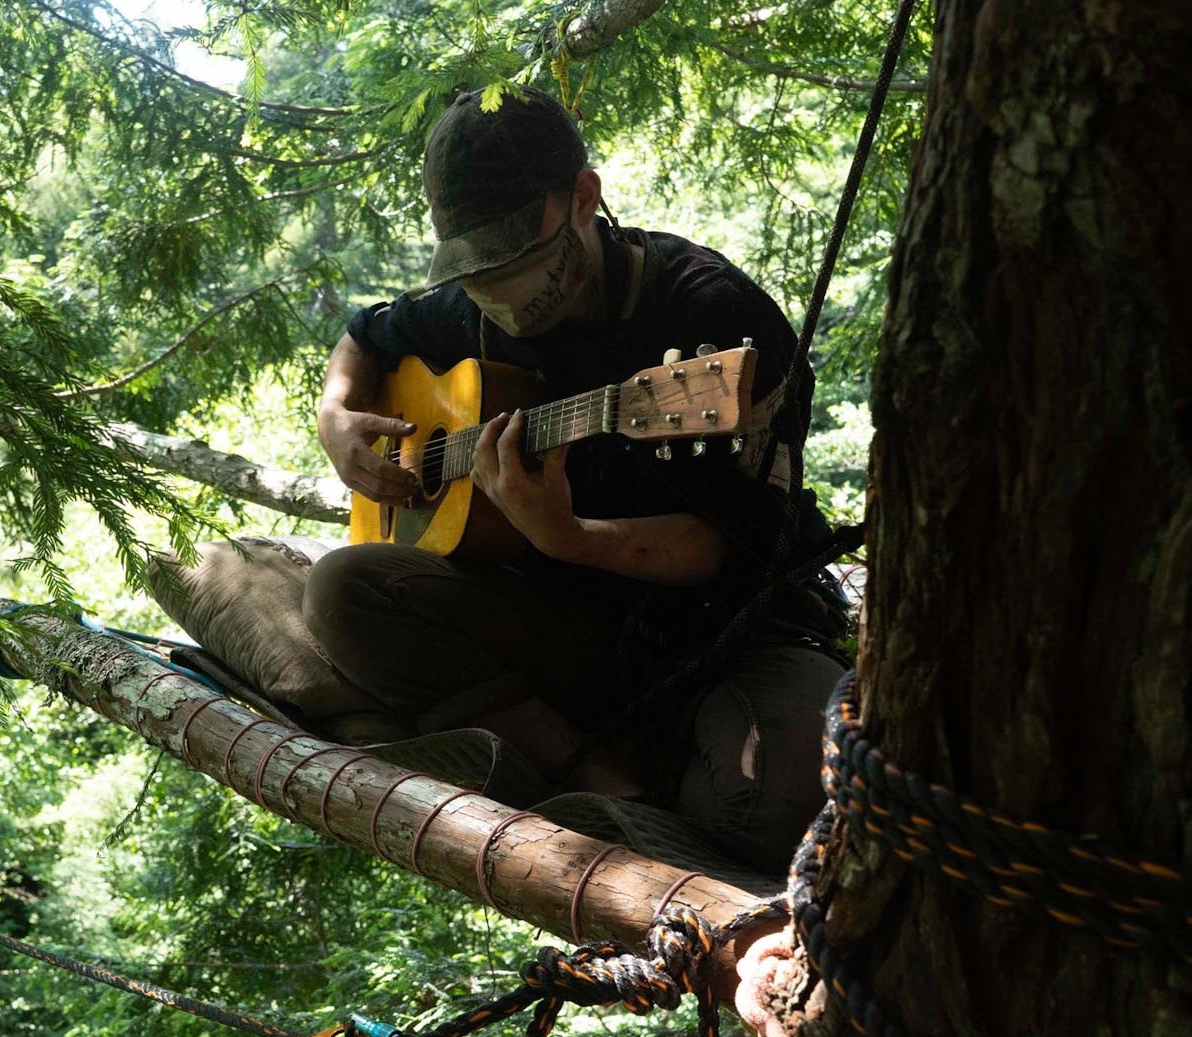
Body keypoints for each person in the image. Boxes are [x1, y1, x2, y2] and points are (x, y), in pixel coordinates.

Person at [306, 84, 848, 870]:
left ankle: (636, 763)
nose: (497, 293)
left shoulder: (710, 315)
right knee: (340, 589)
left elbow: (737, 546)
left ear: (585, 197)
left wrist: (568, 537)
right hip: (559, 624)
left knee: (782, 804)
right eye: (475, 271)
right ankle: (593, 768)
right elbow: (365, 335)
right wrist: (336, 417)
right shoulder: (473, 309)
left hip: (730, 629)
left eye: (516, 260)